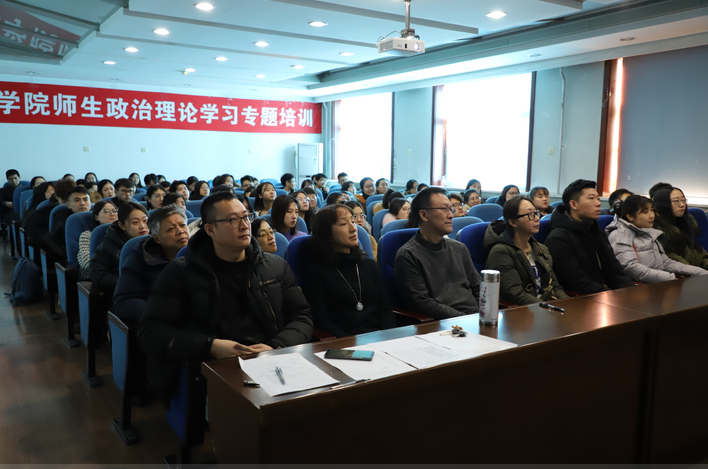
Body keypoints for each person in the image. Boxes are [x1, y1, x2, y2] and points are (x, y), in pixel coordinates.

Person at [138, 191, 313, 405]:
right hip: (212, 367)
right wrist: (210, 346)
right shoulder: (179, 273)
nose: (245, 225)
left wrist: (276, 346)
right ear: (210, 229)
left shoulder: (274, 266)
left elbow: (302, 316)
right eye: (233, 220)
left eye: (246, 217)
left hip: (272, 362)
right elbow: (151, 333)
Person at [302, 204, 396, 337]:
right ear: (327, 234)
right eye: (343, 224)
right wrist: (350, 343)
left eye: (353, 221)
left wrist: (389, 337)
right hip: (343, 342)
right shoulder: (316, 273)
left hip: (379, 338)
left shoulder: (369, 265)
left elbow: (385, 309)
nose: (353, 228)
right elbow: (321, 321)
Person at [395, 187, 480, 319]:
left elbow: (479, 288)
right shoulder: (408, 255)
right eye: (444, 209)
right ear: (424, 215)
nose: (451, 215)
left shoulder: (460, 248)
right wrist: (466, 320)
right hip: (446, 325)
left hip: (475, 319)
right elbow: (422, 303)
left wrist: (484, 316)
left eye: (451, 209)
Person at [544, 179, 634, 294]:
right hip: (585, 299)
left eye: (598, 199)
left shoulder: (596, 231)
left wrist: (629, 291)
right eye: (591, 198)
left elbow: (616, 270)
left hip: (607, 294)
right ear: (573, 204)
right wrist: (612, 296)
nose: (598, 203)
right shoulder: (558, 239)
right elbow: (577, 282)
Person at [113, 206, 190, 327]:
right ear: (157, 238)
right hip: (162, 324)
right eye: (171, 229)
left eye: (183, 225)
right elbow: (125, 301)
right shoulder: (139, 259)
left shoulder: (201, 254)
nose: (180, 231)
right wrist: (161, 314)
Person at [484, 196, 568, 305]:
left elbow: (554, 286)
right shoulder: (501, 252)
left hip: (543, 306)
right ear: (513, 222)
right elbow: (515, 294)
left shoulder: (540, 248)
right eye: (530, 215)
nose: (537, 218)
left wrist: (567, 305)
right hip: (523, 310)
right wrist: (548, 309)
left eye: (536, 213)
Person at [606, 195, 707, 283]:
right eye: (645, 212)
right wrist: (669, 278)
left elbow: (665, 262)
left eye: (652, 210)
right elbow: (630, 267)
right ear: (630, 216)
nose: (651, 216)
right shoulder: (620, 234)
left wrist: (700, 272)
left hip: (657, 283)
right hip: (639, 289)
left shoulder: (647, 233)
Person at [90, 201, 149, 298]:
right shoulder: (108, 245)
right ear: (122, 225)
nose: (143, 226)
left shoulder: (155, 241)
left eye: (145, 221)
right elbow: (98, 276)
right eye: (135, 222)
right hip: (125, 294)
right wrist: (128, 282)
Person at [652, 187, 708, 269]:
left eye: (683, 200)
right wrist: (701, 272)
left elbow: (700, 253)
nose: (682, 205)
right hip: (684, 274)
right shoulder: (658, 231)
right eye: (676, 201)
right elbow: (675, 262)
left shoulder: (684, 223)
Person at [45, 186, 92, 261]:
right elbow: (56, 245)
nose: (82, 203)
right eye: (77, 200)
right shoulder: (61, 219)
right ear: (68, 205)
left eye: (85, 200)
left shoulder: (99, 216)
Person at [77, 200, 119, 280]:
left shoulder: (123, 234)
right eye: (106, 211)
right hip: (94, 277)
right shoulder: (87, 235)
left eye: (114, 211)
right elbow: (87, 262)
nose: (112, 214)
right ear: (96, 217)